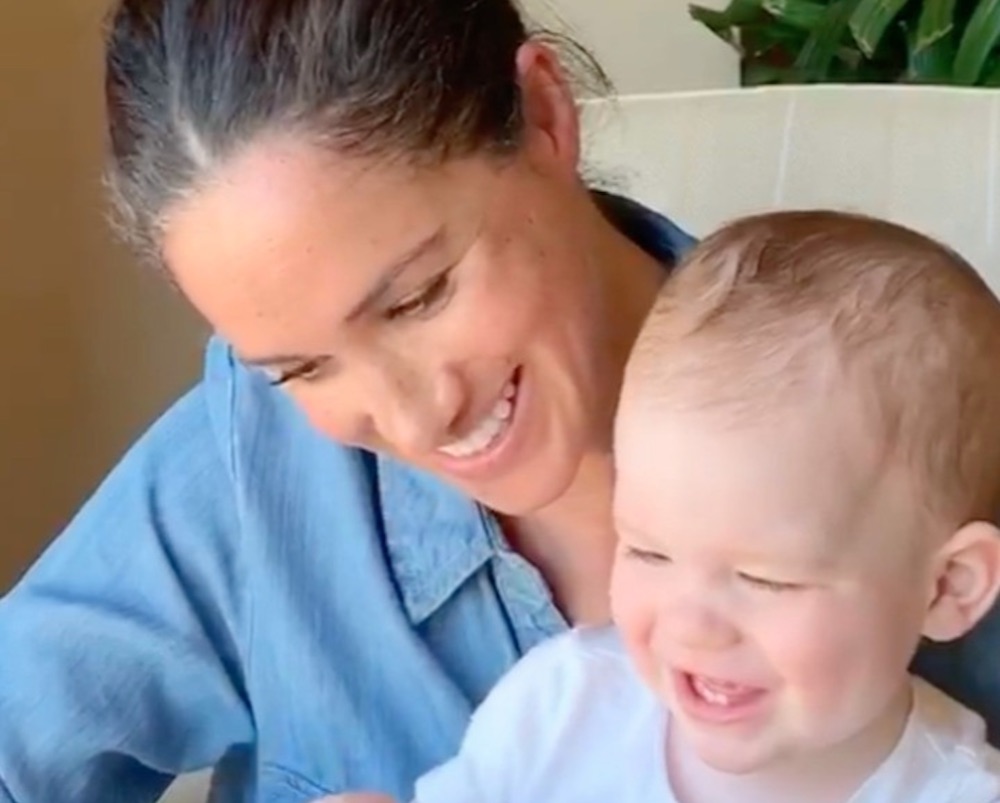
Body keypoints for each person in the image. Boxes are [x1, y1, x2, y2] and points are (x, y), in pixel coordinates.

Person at [0, 0, 994, 798]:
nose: (410, 416)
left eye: (418, 296)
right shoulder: (249, 457)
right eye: (300, 367)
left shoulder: (914, 438)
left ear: (545, 116)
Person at [323, 210, 1000, 803]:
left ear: (949, 585)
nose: (691, 627)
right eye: (647, 551)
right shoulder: (564, 707)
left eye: (764, 578)